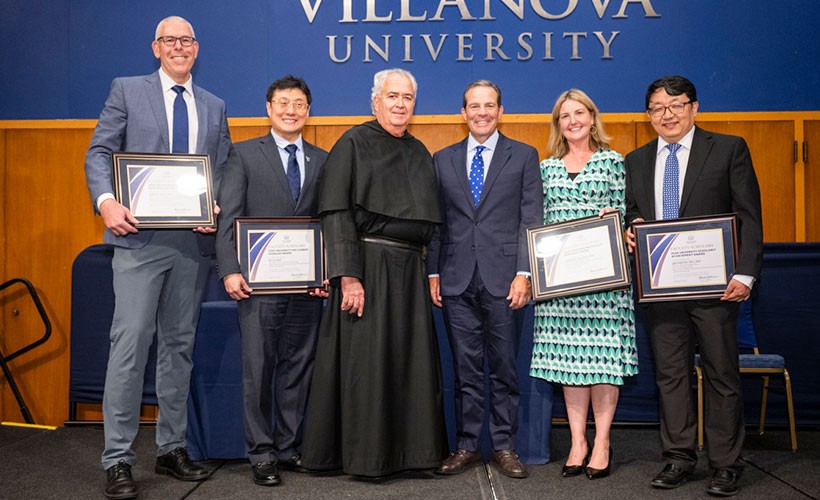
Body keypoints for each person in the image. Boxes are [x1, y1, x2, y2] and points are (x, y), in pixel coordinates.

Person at [84, 16, 231, 500]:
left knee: (178, 350)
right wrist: (107, 201)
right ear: (156, 47)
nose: (179, 47)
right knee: (129, 348)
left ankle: (171, 449)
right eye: (170, 40)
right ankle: (118, 459)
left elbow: (224, 169)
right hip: (139, 242)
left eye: (187, 40)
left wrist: (217, 204)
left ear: (196, 47)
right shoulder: (127, 90)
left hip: (192, 245)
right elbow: (100, 152)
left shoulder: (214, 105)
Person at [301, 68, 448, 477]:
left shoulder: (420, 152)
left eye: (407, 98)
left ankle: (411, 455)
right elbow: (336, 212)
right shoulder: (352, 142)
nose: (400, 104)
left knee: (408, 365)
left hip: (410, 274)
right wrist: (348, 275)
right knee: (368, 365)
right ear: (375, 102)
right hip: (368, 269)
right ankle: (368, 457)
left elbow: (429, 225)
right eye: (392, 97)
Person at [624, 75, 763, 497]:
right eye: (657, 108)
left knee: (722, 373)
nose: (666, 115)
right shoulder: (636, 159)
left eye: (675, 105)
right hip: (661, 289)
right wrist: (633, 229)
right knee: (671, 376)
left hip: (716, 288)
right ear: (648, 115)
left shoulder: (728, 148)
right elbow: (633, 211)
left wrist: (745, 273)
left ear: (694, 107)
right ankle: (679, 457)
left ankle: (725, 464)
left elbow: (749, 215)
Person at [214, 76, 327, 487]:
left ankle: (287, 446)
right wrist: (229, 269)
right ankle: (261, 452)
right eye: (283, 103)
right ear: (269, 108)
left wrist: (325, 272)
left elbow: (327, 223)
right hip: (257, 285)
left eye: (299, 103)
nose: (291, 110)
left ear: (308, 111)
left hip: (305, 286)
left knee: (298, 367)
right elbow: (229, 217)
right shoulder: (243, 155)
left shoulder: (322, 158)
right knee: (258, 369)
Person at [427, 80, 542, 479]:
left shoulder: (524, 155)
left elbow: (531, 219)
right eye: (474, 106)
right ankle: (468, 445)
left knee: (505, 370)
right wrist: (433, 270)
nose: (481, 112)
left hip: (505, 279)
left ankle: (506, 446)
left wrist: (525, 273)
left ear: (500, 110)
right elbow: (437, 222)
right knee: (466, 369)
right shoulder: (442, 159)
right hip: (457, 280)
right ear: (463, 112)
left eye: (489, 105)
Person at [529, 89, 639, 480]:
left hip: (605, 282)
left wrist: (619, 218)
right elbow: (535, 222)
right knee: (569, 362)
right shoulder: (546, 169)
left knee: (602, 362)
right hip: (560, 285)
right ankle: (578, 441)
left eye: (579, 113)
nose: (573, 120)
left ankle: (603, 440)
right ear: (557, 124)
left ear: (593, 118)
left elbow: (630, 213)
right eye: (564, 115)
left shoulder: (614, 163)